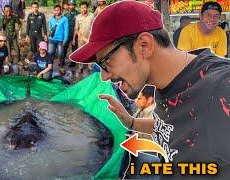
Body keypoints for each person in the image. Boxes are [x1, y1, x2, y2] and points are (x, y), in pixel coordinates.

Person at [70, 1, 230, 178]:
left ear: (144, 46)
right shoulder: (168, 82)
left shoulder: (221, 90)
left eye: (106, 62)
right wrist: (131, 123)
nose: (104, 76)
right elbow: (173, 127)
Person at [72, 1, 94, 73]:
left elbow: (94, 27)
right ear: (80, 8)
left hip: (90, 39)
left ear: (87, 7)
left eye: (84, 7)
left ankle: (90, 67)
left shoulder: (92, 16)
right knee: (81, 53)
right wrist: (73, 39)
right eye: (82, 8)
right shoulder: (78, 17)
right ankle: (80, 68)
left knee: (90, 53)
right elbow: (76, 29)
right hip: (81, 39)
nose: (83, 9)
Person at [63, 0, 79, 67]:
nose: (71, 6)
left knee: (74, 49)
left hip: (74, 33)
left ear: (74, 5)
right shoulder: (65, 14)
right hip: (67, 33)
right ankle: (62, 61)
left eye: (72, 5)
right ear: (68, 6)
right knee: (64, 48)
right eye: (70, 5)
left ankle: (73, 62)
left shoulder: (78, 14)